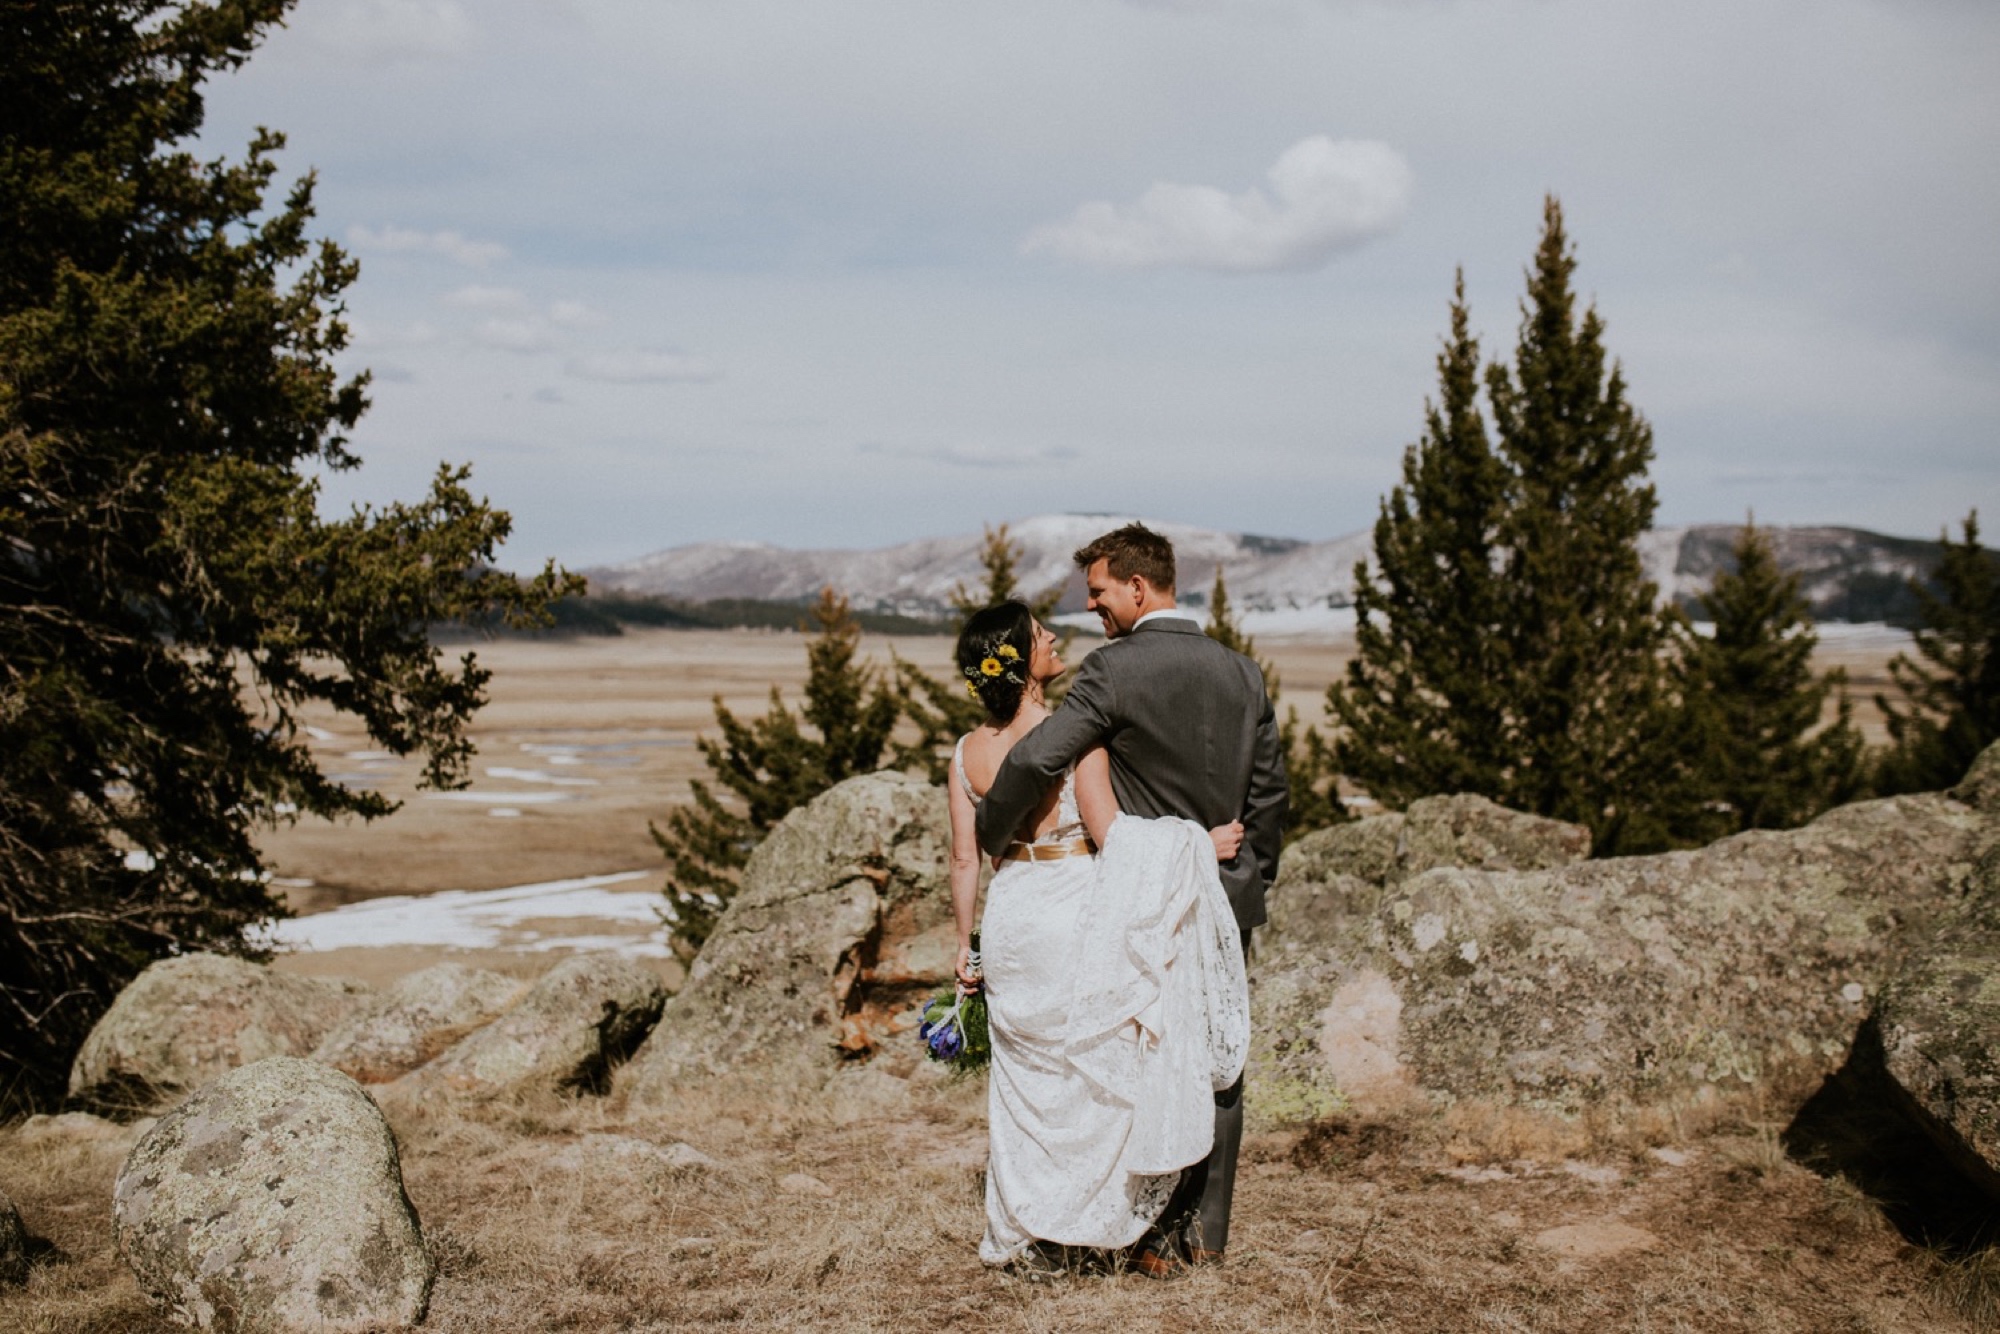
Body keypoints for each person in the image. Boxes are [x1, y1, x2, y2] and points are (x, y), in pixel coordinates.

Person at [974, 522, 1286, 1277]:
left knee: (1149, 1054)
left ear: (1138, 588)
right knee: (1218, 1058)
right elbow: (1270, 791)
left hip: (1147, 896)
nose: (1095, 610)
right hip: (1224, 892)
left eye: (1101, 592)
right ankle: (1205, 1234)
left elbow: (1043, 753)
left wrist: (992, 826)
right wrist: (1251, 882)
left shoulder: (1115, 671)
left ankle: (1149, 1234)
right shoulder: (1242, 673)